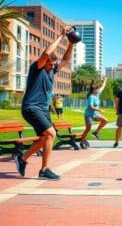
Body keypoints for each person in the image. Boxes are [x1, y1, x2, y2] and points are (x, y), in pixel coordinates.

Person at [15, 26, 73, 180]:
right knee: (51, 134)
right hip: (31, 107)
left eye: (54, 64)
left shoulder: (52, 70)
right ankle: (44, 170)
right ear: (44, 62)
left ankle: (22, 159)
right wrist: (61, 36)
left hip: (43, 110)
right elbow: (46, 53)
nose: (53, 66)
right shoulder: (37, 68)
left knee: (44, 139)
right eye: (50, 64)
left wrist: (71, 43)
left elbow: (66, 60)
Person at [80, 77, 108, 148]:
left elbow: (102, 87)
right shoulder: (91, 97)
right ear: (94, 90)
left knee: (105, 120)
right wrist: (99, 110)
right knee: (88, 129)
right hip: (89, 115)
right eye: (97, 89)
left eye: (98, 89)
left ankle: (95, 132)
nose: (99, 90)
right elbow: (90, 107)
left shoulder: (97, 95)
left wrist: (105, 80)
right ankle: (82, 141)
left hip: (95, 115)